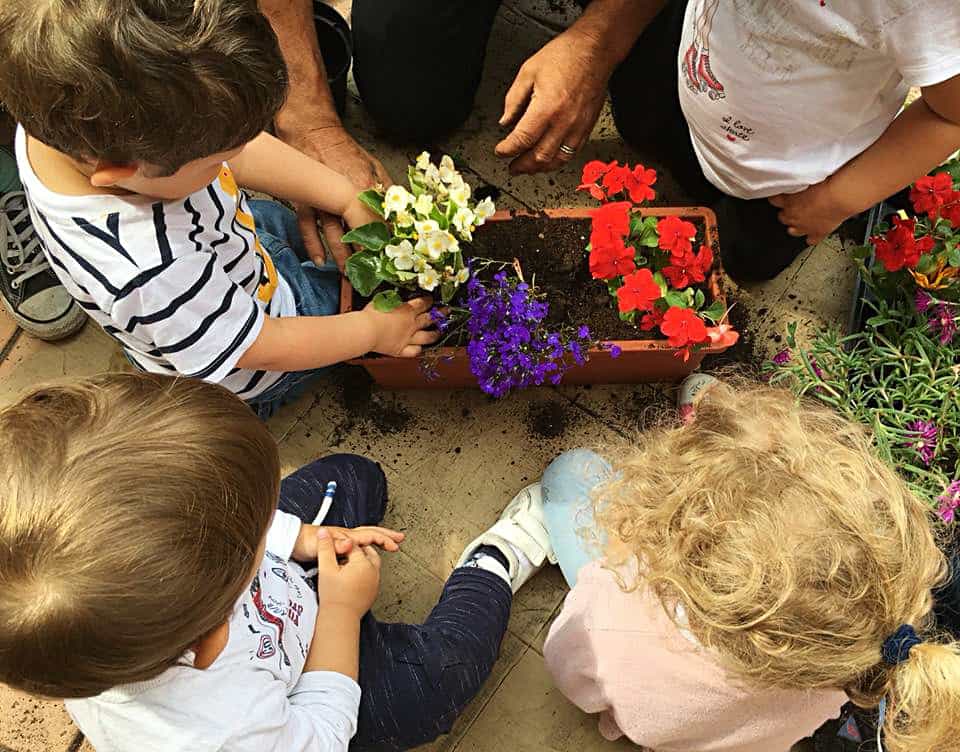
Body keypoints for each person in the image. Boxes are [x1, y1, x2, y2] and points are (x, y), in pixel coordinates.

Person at [0, 372, 557, 751]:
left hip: (267, 593)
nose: (263, 520)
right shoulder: (216, 733)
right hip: (308, 682)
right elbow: (320, 736)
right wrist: (340, 612)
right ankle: (492, 565)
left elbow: (233, 523)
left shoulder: (140, 569)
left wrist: (303, 539)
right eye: (253, 528)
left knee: (355, 476)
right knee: (439, 681)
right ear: (212, 639)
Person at [0, 0, 438, 418]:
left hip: (226, 245)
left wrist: (342, 195)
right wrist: (371, 331)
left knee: (275, 227)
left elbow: (234, 151)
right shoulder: (150, 271)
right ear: (119, 172)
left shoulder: (71, 126)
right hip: (257, 354)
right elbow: (258, 344)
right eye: (215, 163)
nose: (229, 162)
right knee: (340, 300)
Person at [337, 0, 960, 281]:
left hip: (786, 175)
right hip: (695, 72)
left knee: (745, 259)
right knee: (641, 122)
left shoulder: (929, 12)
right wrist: (599, 44)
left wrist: (837, 199)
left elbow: (949, 116)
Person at [538, 376, 960, 752]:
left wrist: (622, 551)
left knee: (569, 473)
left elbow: (568, 667)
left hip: (641, 710)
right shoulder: (845, 660)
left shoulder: (621, 617)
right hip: (701, 736)